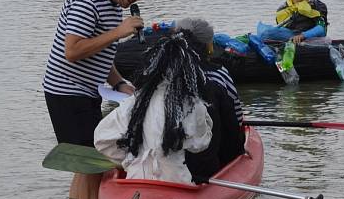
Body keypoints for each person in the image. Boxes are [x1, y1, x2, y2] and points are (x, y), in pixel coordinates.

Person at [43, 0, 156, 199]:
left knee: (83, 163)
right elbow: (72, 52)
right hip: (67, 91)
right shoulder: (87, 2)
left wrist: (118, 83)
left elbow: (100, 52)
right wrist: (119, 32)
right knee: (94, 163)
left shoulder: (114, 4)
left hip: (87, 91)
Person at [94, 30, 244, 184]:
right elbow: (199, 144)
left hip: (137, 179)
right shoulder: (193, 105)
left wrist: (129, 157)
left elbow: (101, 140)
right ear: (190, 71)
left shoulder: (135, 102)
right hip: (175, 181)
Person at [257, 0, 329, 44]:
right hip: (289, 40)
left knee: (267, 33)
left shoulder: (317, 5)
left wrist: (302, 36)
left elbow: (322, 30)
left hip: (312, 40)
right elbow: (281, 32)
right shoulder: (282, 10)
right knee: (266, 33)